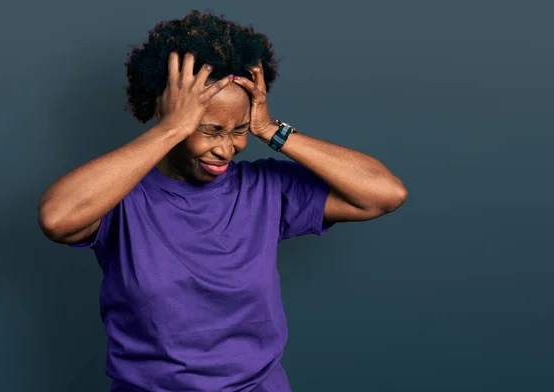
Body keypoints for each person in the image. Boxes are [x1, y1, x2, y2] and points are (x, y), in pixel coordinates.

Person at [37, 9, 407, 392]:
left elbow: (385, 193)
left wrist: (269, 129)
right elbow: (56, 218)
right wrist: (172, 127)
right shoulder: (121, 198)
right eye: (211, 130)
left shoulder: (266, 190)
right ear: (165, 110)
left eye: (240, 130)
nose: (228, 148)